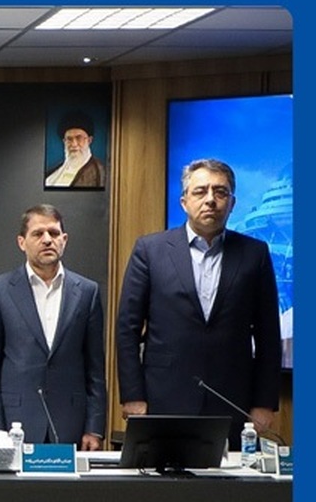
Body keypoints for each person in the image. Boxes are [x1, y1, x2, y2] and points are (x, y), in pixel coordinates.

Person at [117, 158, 281, 448]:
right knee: (163, 476)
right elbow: (127, 330)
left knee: (232, 478)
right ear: (184, 202)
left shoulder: (254, 253)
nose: (210, 200)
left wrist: (264, 402)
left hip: (232, 401)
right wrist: (133, 396)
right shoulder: (150, 250)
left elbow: (268, 334)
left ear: (232, 203)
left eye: (220, 192)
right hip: (163, 398)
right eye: (200, 191)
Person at [0, 204, 106, 449]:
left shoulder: (87, 292)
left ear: (64, 240)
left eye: (54, 233)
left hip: (71, 424)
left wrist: (94, 427)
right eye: (38, 233)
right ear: (21, 242)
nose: (47, 240)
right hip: (14, 425)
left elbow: (95, 367)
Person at [44, 111, 106, 188]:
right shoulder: (52, 172)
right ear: (64, 141)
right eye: (69, 139)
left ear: (89, 140)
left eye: (79, 138)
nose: (74, 144)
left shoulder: (100, 172)